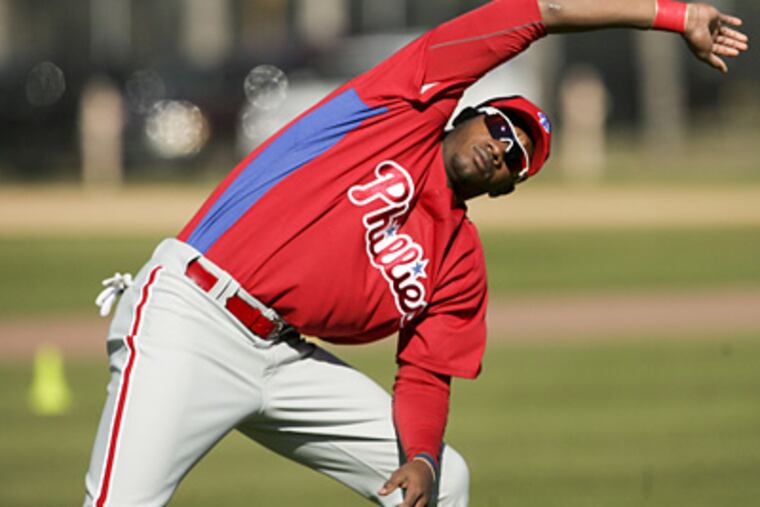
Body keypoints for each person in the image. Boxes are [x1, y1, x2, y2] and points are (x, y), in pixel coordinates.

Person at [83, 1, 748, 506]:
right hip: (194, 315)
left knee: (446, 475)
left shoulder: (457, 259)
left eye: (516, 158)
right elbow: (541, 11)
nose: (502, 147)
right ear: (466, 114)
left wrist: (423, 458)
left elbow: (426, 375)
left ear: (506, 186)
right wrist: (672, 14)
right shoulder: (396, 107)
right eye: (500, 126)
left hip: (283, 358)